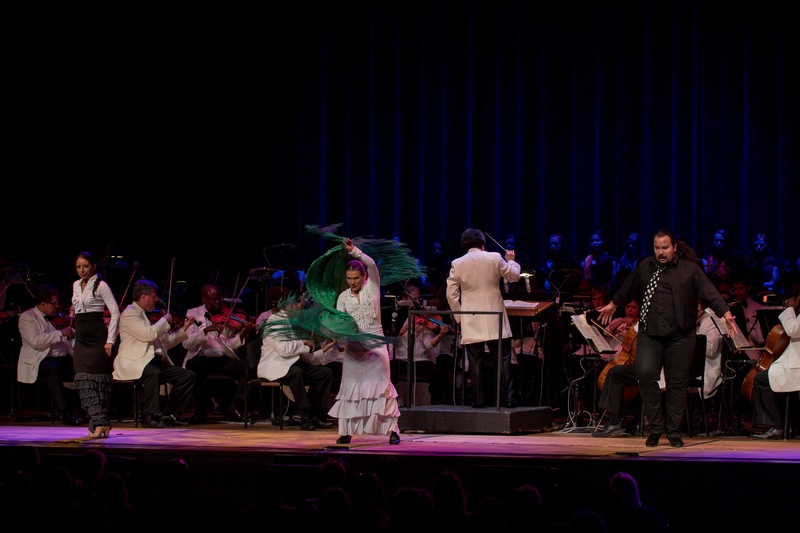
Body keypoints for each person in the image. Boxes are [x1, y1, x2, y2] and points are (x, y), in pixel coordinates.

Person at [597, 229, 737, 448]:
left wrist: (726, 314)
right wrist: (613, 304)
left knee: (676, 384)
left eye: (665, 248)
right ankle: (655, 427)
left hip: (680, 336)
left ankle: (673, 431)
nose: (660, 252)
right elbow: (628, 287)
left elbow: (711, 293)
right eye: (657, 247)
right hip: (650, 335)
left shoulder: (690, 270)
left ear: (674, 247)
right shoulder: (645, 266)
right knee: (645, 375)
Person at [331, 238, 402, 445]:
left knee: (382, 388)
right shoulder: (343, 297)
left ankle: (392, 430)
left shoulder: (372, 288)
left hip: (376, 344)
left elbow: (371, 264)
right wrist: (340, 336)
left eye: (355, 277)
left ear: (364, 277)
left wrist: (354, 251)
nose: (352, 282)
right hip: (354, 349)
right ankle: (346, 431)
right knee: (351, 390)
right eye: (349, 278)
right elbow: (340, 322)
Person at [446, 228, 521, 408]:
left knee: (475, 360)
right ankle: (509, 400)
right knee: (502, 359)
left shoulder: (458, 263)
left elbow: (451, 295)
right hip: (494, 315)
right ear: (482, 243)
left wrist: (460, 318)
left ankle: (478, 401)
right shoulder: (494, 257)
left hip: (471, 318)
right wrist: (512, 261)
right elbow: (514, 276)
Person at [113, 279, 197, 428]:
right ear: (144, 297)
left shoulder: (147, 316)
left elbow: (166, 343)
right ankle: (149, 415)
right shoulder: (129, 314)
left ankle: (170, 414)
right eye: (154, 296)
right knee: (154, 373)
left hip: (152, 361)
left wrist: (184, 328)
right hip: (135, 361)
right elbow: (149, 335)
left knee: (187, 376)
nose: (156, 299)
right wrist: (165, 321)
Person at [258, 291, 337, 430]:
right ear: (290, 304)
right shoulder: (274, 321)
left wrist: (323, 349)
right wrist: (304, 342)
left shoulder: (291, 322)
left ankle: (316, 414)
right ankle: (304, 415)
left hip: (292, 364)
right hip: (275, 365)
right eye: (300, 303)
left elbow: (303, 356)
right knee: (297, 372)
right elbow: (284, 349)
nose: (302, 307)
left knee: (325, 373)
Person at [182, 283, 254, 423]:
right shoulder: (192, 313)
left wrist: (243, 333)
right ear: (204, 300)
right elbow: (186, 344)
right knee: (193, 367)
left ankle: (234, 409)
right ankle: (201, 410)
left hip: (221, 359)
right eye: (213, 299)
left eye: (219, 299)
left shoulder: (226, 315)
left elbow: (229, 345)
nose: (218, 302)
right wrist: (205, 331)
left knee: (249, 368)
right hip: (201, 358)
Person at [70, 251, 120, 439]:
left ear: (93, 267)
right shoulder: (75, 285)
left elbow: (115, 312)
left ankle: (99, 422)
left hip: (97, 337)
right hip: (81, 338)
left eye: (85, 266)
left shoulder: (101, 285)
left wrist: (110, 341)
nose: (82, 270)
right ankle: (99, 421)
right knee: (83, 380)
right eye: (78, 267)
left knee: (98, 381)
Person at [16, 284, 80, 425]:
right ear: (43, 303)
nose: (58, 306)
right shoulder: (27, 318)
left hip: (59, 358)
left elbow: (64, 344)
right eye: (55, 303)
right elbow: (36, 341)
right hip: (38, 360)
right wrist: (60, 333)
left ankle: (86, 407)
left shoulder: (54, 318)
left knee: (83, 366)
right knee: (53, 368)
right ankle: (64, 412)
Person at [751, 293, 800, 439]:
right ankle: (785, 424)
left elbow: (793, 330)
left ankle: (777, 425)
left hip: (796, 364)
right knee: (765, 379)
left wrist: (790, 309)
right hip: (793, 361)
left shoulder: (793, 310)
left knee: (761, 380)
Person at [394, 283, 451, 405]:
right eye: (414, 299)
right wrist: (408, 327)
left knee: (439, 373)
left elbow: (429, 345)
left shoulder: (422, 318)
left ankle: (437, 405)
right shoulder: (398, 318)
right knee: (389, 369)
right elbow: (393, 340)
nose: (418, 302)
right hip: (401, 360)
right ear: (404, 299)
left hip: (420, 361)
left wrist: (440, 335)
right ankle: (392, 405)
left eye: (419, 299)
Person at [581, 230, 617, 294]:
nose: (594, 243)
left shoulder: (611, 259)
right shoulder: (585, 260)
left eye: (597, 241)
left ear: (603, 242)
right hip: (589, 290)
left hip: (607, 290)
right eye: (592, 241)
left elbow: (613, 277)